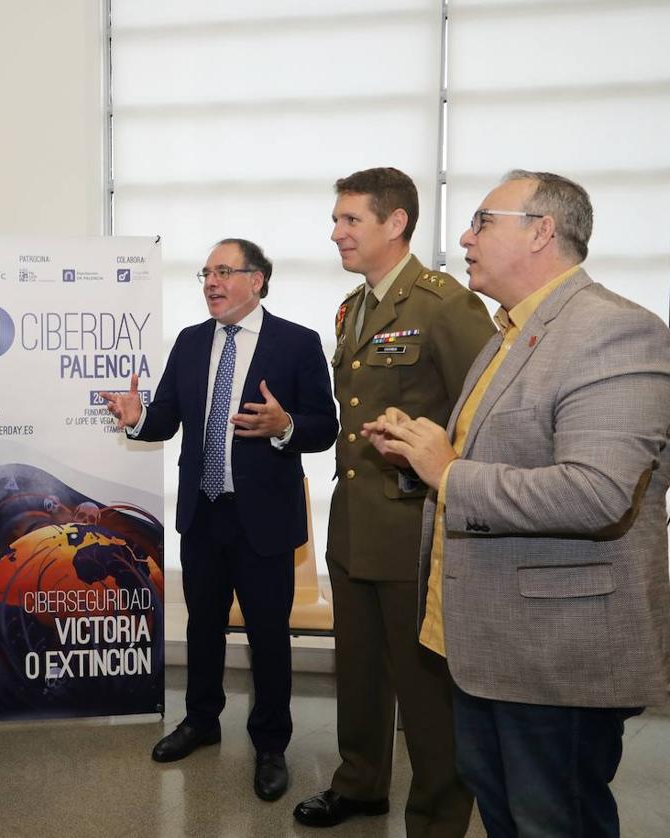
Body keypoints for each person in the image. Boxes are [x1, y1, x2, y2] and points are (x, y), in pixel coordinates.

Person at [364, 170, 670, 838]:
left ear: (541, 232)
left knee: (553, 821)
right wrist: (421, 459)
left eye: (482, 221)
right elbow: (492, 460)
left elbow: (597, 493)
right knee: (506, 817)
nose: (464, 238)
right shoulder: (510, 334)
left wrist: (448, 472)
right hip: (486, 642)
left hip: (555, 651)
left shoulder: (613, 332)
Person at [293, 168, 492, 834]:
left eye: (350, 220)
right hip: (355, 527)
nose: (336, 232)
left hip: (416, 528)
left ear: (395, 222)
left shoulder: (443, 304)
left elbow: (486, 413)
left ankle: (437, 816)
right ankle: (360, 783)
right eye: (337, 219)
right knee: (358, 673)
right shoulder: (355, 308)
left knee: (425, 689)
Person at [103, 238, 338, 801]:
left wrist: (284, 426)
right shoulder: (189, 342)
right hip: (203, 513)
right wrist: (137, 421)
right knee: (203, 625)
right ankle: (201, 721)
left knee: (267, 635)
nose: (210, 282)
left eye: (224, 271)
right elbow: (163, 419)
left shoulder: (297, 343)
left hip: (264, 520)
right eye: (206, 273)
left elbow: (324, 426)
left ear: (257, 280)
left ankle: (271, 744)